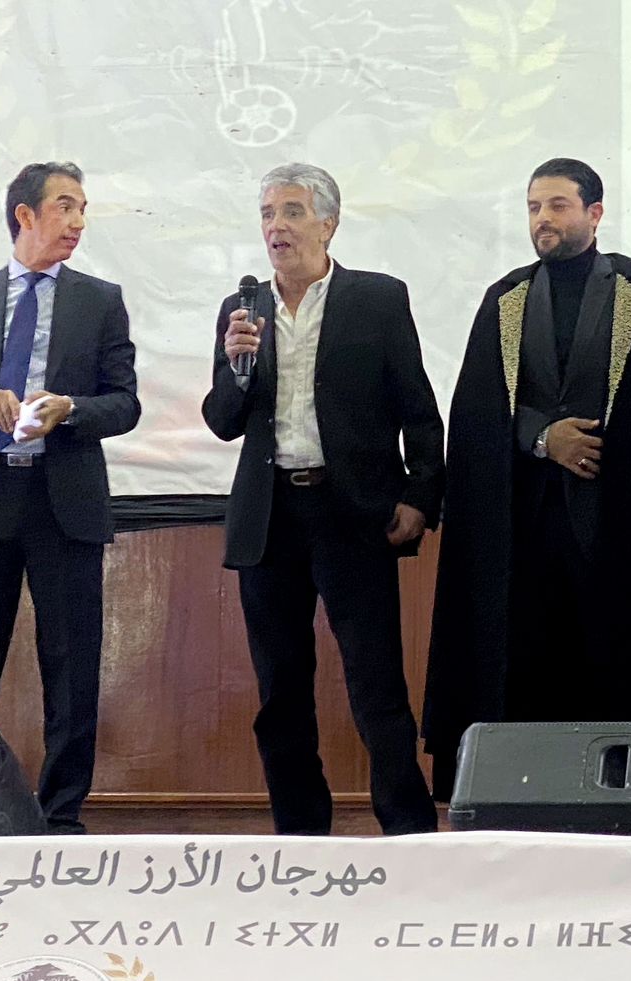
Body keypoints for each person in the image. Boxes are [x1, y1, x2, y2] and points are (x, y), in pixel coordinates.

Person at [424, 158, 631, 798]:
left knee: (623, 657)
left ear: (594, 214)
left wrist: (608, 447)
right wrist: (547, 439)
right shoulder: (507, 299)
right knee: (528, 659)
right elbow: (480, 412)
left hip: (622, 530)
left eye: (558, 205)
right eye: (534, 207)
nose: (543, 219)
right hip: (527, 532)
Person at [203, 163, 443, 836]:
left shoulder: (377, 299)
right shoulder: (242, 310)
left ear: (328, 223)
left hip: (352, 514)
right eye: (267, 214)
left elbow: (418, 408)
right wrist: (236, 368)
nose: (276, 226)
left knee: (376, 685)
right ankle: (300, 836)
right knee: (280, 691)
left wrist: (420, 494)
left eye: (292, 211)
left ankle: (410, 833)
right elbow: (223, 421)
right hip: (270, 518)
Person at [0, 161, 140, 834]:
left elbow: (124, 403)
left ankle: (62, 816)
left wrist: (73, 409)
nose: (79, 221)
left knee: (71, 665)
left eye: (83, 208)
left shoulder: (100, 300)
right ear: (25, 215)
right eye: (66, 206)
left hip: (64, 500)